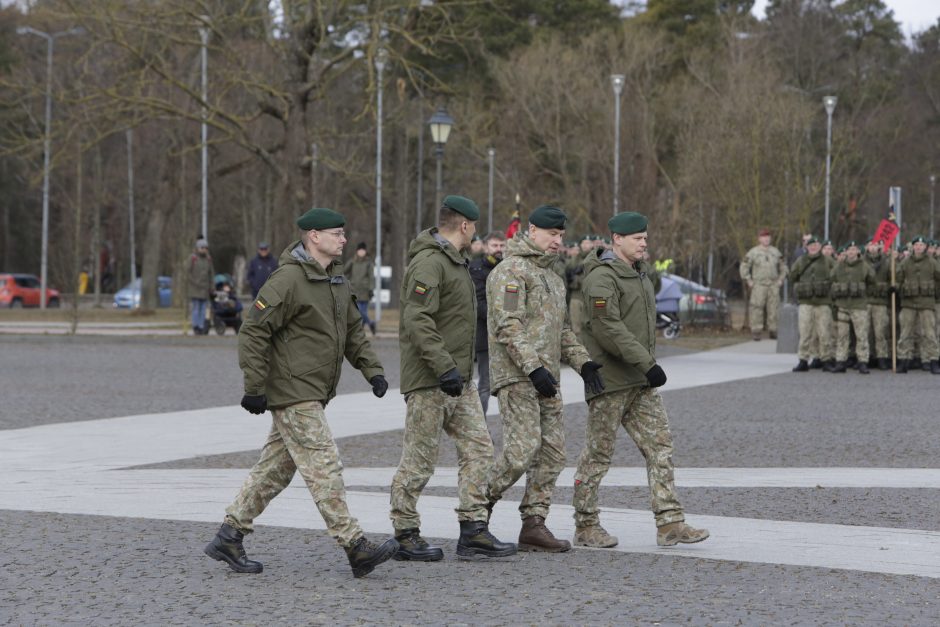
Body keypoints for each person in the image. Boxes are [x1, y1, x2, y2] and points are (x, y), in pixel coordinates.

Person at [204, 208, 398, 578]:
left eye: (343, 234)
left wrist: (373, 371)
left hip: (313, 389)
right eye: (337, 234)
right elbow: (253, 332)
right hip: (294, 391)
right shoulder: (288, 280)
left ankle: (229, 535)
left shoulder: (336, 279)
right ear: (313, 237)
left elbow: (353, 331)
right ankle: (356, 546)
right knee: (325, 465)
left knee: (275, 470)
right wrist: (254, 387)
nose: (343, 240)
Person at [573, 211, 708, 549]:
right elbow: (608, 329)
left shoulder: (640, 275)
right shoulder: (601, 278)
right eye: (637, 238)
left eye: (645, 238)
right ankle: (586, 524)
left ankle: (670, 523)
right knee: (597, 455)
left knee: (660, 447)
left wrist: (645, 368)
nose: (644, 243)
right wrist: (647, 363)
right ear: (617, 239)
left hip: (640, 382)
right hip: (611, 382)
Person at [391, 196, 516, 561]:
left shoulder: (457, 262)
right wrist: (444, 366)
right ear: (464, 226)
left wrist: (457, 372)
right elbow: (418, 319)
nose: (475, 233)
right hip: (431, 380)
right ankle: (405, 533)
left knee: (479, 449)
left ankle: (473, 529)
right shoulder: (429, 263)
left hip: (458, 380)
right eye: (474, 226)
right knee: (419, 460)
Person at [485, 204, 603, 552]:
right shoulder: (511, 271)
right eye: (552, 234)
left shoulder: (553, 277)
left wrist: (583, 364)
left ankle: (534, 523)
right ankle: (475, 509)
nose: (557, 241)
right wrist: (532, 367)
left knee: (552, 453)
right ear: (532, 231)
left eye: (561, 235)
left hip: (547, 378)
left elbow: (563, 330)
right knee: (521, 451)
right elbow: (508, 326)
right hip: (518, 375)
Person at [468, 231, 506, 415]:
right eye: (494, 245)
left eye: (501, 245)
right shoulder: (475, 269)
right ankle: (481, 429)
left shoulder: (509, 268)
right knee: (485, 385)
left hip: (509, 337)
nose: (498, 249)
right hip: (486, 335)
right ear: (485, 247)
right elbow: (479, 303)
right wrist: (504, 319)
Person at [895, 235, 940, 374]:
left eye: (921, 245)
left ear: (925, 247)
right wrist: (895, 288)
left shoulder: (932, 262)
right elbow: (898, 278)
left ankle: (933, 361)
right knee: (905, 333)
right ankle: (903, 361)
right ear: (913, 247)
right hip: (908, 302)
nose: (919, 247)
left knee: (930, 333)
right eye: (916, 245)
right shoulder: (905, 262)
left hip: (926, 302)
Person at [789, 236, 835, 372]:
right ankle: (803, 360)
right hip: (806, 302)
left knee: (824, 332)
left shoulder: (828, 261)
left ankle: (825, 359)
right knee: (805, 332)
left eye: (815, 245)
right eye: (811, 245)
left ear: (820, 247)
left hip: (823, 302)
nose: (813, 247)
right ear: (807, 247)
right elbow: (792, 276)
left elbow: (837, 275)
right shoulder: (801, 260)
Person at [829, 241, 875, 374]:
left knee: (861, 335)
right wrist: (838, 262)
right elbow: (832, 277)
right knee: (842, 336)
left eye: (854, 250)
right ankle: (840, 362)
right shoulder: (839, 266)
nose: (851, 252)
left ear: (858, 252)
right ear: (846, 252)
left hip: (859, 306)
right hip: (843, 305)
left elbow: (872, 280)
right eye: (849, 250)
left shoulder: (864, 265)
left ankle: (862, 362)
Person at [740, 228, 788, 341]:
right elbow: (744, 266)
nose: (766, 239)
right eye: (763, 237)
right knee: (756, 307)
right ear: (759, 239)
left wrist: (781, 279)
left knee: (774, 308)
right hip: (759, 285)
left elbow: (784, 267)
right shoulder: (753, 252)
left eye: (768, 237)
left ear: (770, 238)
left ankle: (773, 330)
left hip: (773, 284)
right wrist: (748, 280)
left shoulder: (776, 252)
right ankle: (756, 331)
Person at [865, 240, 892, 370]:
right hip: (865, 302)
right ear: (867, 247)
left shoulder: (887, 263)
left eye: (875, 245)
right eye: (871, 245)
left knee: (880, 332)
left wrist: (891, 287)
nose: (873, 247)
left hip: (880, 303)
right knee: (866, 332)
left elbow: (892, 279)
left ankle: (882, 357)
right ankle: (867, 357)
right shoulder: (862, 262)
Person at [344, 242, 377, 335]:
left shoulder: (368, 263)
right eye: (360, 250)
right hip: (354, 291)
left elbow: (371, 277)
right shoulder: (352, 262)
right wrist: (348, 282)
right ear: (357, 251)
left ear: (365, 251)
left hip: (365, 291)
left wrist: (371, 289)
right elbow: (344, 272)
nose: (361, 252)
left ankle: (361, 330)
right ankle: (370, 324)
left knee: (362, 312)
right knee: (359, 312)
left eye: (363, 250)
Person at [188, 238, 215, 335]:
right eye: (202, 247)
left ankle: (201, 326)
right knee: (196, 308)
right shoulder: (193, 258)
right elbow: (188, 273)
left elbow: (211, 274)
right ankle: (195, 326)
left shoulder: (208, 259)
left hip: (205, 289)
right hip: (195, 289)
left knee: (203, 309)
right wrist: (194, 282)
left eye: (206, 248)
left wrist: (212, 286)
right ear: (198, 248)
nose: (204, 249)